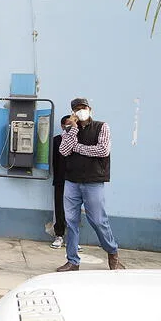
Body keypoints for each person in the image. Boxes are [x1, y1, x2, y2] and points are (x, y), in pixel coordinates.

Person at [56, 98, 125, 272]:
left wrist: (77, 148)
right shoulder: (70, 130)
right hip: (72, 180)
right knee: (71, 221)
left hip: (93, 181)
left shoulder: (102, 127)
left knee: (98, 220)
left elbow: (102, 150)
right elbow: (63, 151)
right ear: (73, 112)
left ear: (90, 109)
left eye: (83, 107)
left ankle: (112, 251)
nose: (81, 111)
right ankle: (73, 261)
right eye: (76, 109)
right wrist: (72, 129)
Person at [50, 115, 70, 249]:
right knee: (59, 208)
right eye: (68, 124)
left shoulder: (79, 140)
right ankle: (59, 235)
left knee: (73, 210)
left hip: (76, 179)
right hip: (60, 179)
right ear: (62, 126)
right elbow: (53, 161)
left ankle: (73, 239)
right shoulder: (57, 140)